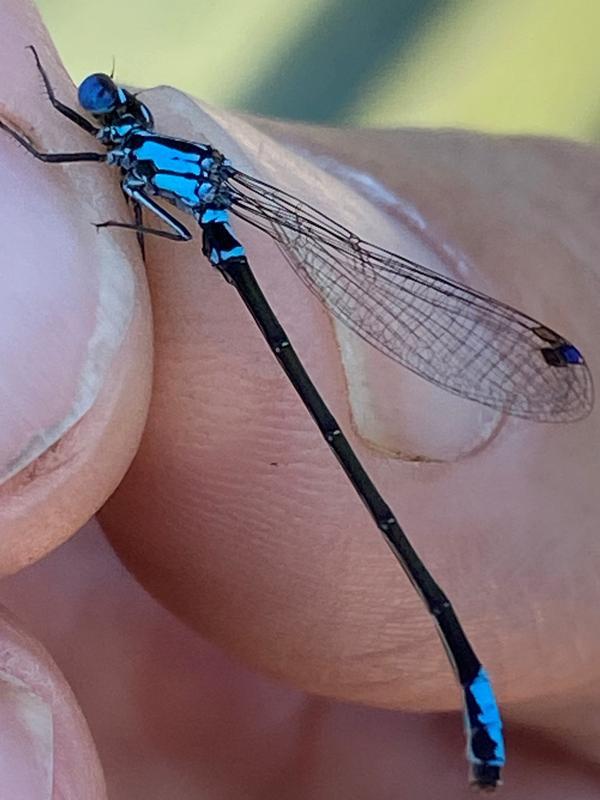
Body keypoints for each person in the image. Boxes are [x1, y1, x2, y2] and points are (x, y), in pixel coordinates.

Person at [0, 5, 598, 798]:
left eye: (115, 108)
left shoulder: (148, 156)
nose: (109, 109)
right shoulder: (142, 154)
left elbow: (86, 173)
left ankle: (473, 691)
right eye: (110, 108)